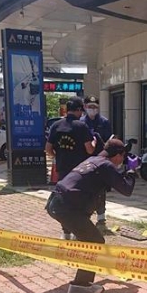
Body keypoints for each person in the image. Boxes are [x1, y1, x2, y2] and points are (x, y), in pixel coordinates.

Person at [46, 139, 141, 293]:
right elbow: (126, 189)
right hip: (67, 208)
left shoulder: (93, 160)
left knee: (88, 241)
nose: (122, 160)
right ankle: (80, 285)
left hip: (56, 202)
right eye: (123, 157)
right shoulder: (106, 165)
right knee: (95, 243)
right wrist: (132, 170)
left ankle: (83, 279)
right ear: (117, 155)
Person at [46, 96, 96, 239]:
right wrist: (94, 141)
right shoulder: (81, 126)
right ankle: (77, 231)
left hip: (63, 170)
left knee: (64, 201)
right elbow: (90, 150)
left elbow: (48, 148)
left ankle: (65, 232)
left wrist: (58, 156)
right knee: (80, 201)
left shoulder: (56, 125)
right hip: (80, 172)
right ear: (79, 110)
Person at [80, 95, 114, 234]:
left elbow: (109, 141)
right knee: (85, 191)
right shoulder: (81, 122)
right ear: (85, 107)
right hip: (84, 162)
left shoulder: (104, 122)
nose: (92, 109)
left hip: (100, 162)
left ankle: (101, 220)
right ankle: (84, 219)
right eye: (90, 106)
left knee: (100, 191)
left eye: (95, 107)